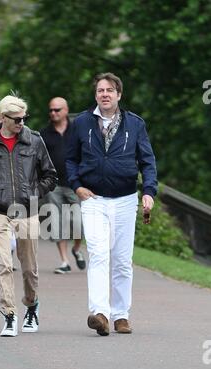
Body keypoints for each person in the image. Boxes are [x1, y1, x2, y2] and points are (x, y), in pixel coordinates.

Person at [66, 72, 158, 336]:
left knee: (121, 260)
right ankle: (100, 314)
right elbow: (71, 159)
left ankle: (121, 315)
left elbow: (148, 162)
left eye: (109, 90)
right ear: (95, 95)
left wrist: (149, 191)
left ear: (119, 94)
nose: (104, 94)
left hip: (126, 199)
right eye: (100, 90)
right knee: (98, 253)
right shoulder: (82, 123)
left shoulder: (135, 124)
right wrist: (77, 186)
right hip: (93, 198)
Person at [0, 94, 57, 337]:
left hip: (27, 211)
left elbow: (50, 176)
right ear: (2, 118)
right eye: (17, 119)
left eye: (24, 118)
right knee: (4, 264)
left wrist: (34, 193)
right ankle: (9, 314)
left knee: (29, 267)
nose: (21, 123)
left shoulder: (34, 141)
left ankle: (31, 305)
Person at [40, 97, 86, 274]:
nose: (53, 113)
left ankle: (76, 249)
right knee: (57, 222)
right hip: (54, 185)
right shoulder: (44, 134)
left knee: (78, 223)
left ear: (66, 110)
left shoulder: (78, 131)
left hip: (76, 184)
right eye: (51, 110)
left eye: (57, 110)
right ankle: (64, 261)